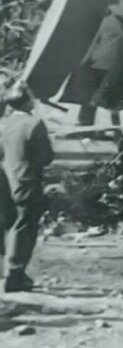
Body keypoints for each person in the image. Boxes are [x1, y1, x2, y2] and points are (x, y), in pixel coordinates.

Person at [1, 81, 54, 292]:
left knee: (9, 225)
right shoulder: (34, 124)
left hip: (5, 181)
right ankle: (15, 274)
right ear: (25, 102)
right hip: (27, 181)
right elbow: (46, 157)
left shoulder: (2, 124)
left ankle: (8, 271)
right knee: (24, 228)